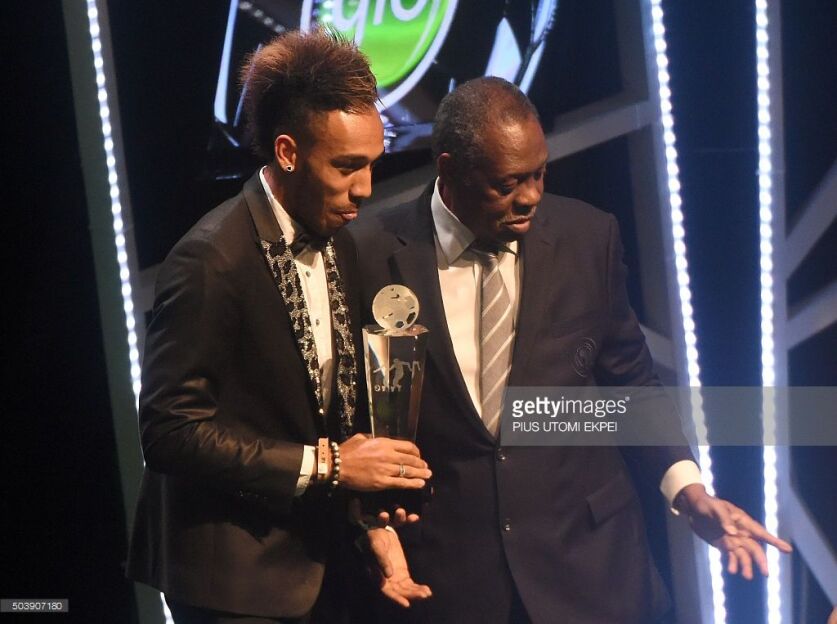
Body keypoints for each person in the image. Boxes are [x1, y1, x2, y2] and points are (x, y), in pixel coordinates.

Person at [350, 77, 792, 624]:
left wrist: (689, 491)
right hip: (451, 581)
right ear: (450, 170)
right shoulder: (369, 254)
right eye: (508, 183)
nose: (531, 196)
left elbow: (631, 384)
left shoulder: (587, 236)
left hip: (592, 572)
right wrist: (369, 525)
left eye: (539, 173)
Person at [125, 29, 432, 623]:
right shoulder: (211, 259)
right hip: (232, 582)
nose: (365, 189)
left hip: (322, 566)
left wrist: (372, 522)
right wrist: (332, 467)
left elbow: (324, 412)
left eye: (372, 164)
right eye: (347, 167)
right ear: (287, 153)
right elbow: (169, 430)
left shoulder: (341, 239)